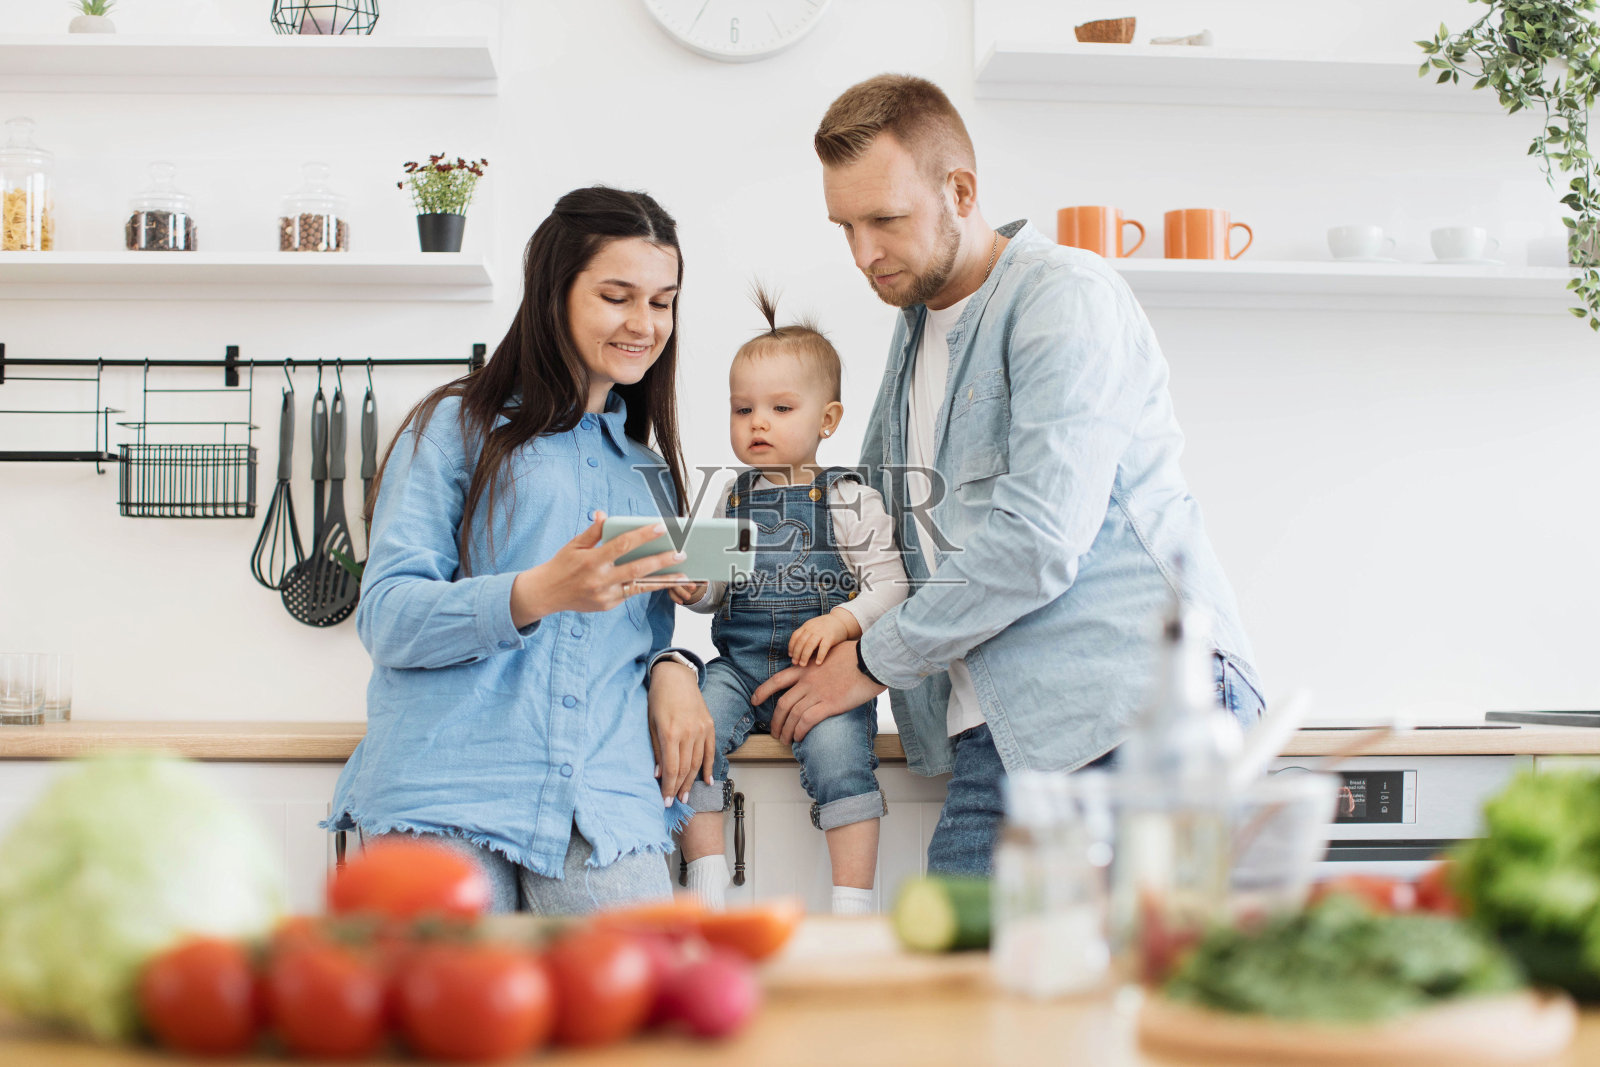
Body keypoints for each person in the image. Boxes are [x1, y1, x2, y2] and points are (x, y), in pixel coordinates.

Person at [750, 75, 1265, 876]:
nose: (863, 254)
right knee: (961, 958)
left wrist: (872, 659)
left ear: (960, 191)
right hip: (994, 736)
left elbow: (1038, 539)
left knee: (1156, 962)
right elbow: (879, 532)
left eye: (885, 220)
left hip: (1135, 712)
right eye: (845, 226)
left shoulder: (1063, 296)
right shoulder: (915, 334)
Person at [325, 186, 717, 913]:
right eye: (616, 296)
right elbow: (387, 616)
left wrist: (673, 667)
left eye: (662, 302)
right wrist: (536, 593)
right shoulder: (453, 427)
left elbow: (631, 640)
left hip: (602, 796)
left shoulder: (648, 470)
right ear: (552, 293)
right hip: (444, 786)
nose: (644, 323)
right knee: (458, 986)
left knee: (640, 987)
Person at [670, 287, 910, 914]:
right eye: (743, 408)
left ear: (827, 420)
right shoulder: (732, 497)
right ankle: (706, 882)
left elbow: (893, 587)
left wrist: (843, 620)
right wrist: (696, 588)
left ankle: (852, 906)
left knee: (840, 760)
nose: (758, 422)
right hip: (739, 666)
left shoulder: (849, 497)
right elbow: (716, 590)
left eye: (780, 408)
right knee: (694, 733)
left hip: (823, 675)